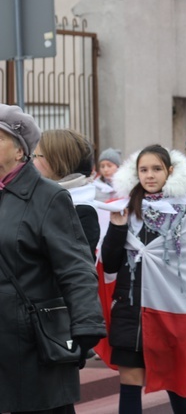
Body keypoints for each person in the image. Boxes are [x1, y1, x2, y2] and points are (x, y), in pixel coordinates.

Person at [0, 104, 106, 413]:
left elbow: (75, 267)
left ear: (20, 151)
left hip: (32, 342)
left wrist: (86, 326)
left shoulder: (48, 197)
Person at [101, 144, 186, 413]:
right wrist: (117, 227)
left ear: (169, 172)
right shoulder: (124, 209)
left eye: (157, 169)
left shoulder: (185, 214)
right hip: (129, 307)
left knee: (175, 378)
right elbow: (109, 263)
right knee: (130, 382)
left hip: (167, 311)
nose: (150, 175)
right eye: (144, 170)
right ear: (136, 174)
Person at [33, 128, 101, 259]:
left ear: (58, 159)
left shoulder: (82, 209)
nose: (32, 162)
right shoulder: (37, 195)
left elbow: (77, 264)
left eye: (38, 156)